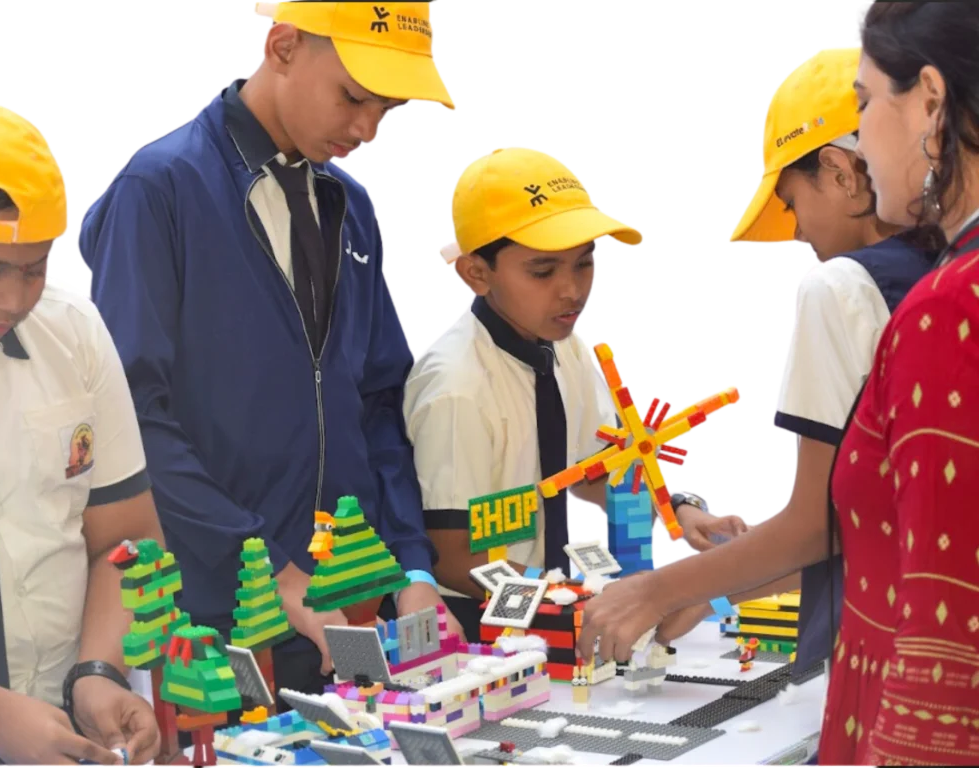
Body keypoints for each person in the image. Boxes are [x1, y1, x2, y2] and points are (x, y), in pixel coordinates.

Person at [75, 1, 464, 703]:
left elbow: (378, 399)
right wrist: (271, 570)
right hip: (209, 620)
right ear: (282, 46)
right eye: (353, 97)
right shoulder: (159, 191)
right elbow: (131, 420)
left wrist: (411, 568)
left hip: (345, 608)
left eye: (389, 109)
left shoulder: (351, 204)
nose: (367, 129)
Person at [575, 43, 943, 684]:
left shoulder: (843, 289)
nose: (798, 234)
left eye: (794, 203)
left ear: (840, 172)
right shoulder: (955, 267)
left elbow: (816, 525)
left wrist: (653, 590)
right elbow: (877, 526)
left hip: (879, 654)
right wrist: (712, 590)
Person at [0, 101, 162, 766]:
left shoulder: (71, 330)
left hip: (51, 725)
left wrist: (96, 673)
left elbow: (126, 539)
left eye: (36, 267)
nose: (14, 301)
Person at [814, 2, 979, 765]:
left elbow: (944, 651)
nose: (857, 136)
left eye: (863, 101)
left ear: (932, 101)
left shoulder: (950, 311)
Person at [401, 145, 641, 639]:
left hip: (543, 601)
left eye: (583, 263)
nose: (573, 290)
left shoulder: (567, 348)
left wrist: (678, 506)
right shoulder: (457, 387)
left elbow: (590, 469)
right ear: (476, 273)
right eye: (543, 270)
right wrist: (566, 604)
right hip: (475, 623)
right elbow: (450, 557)